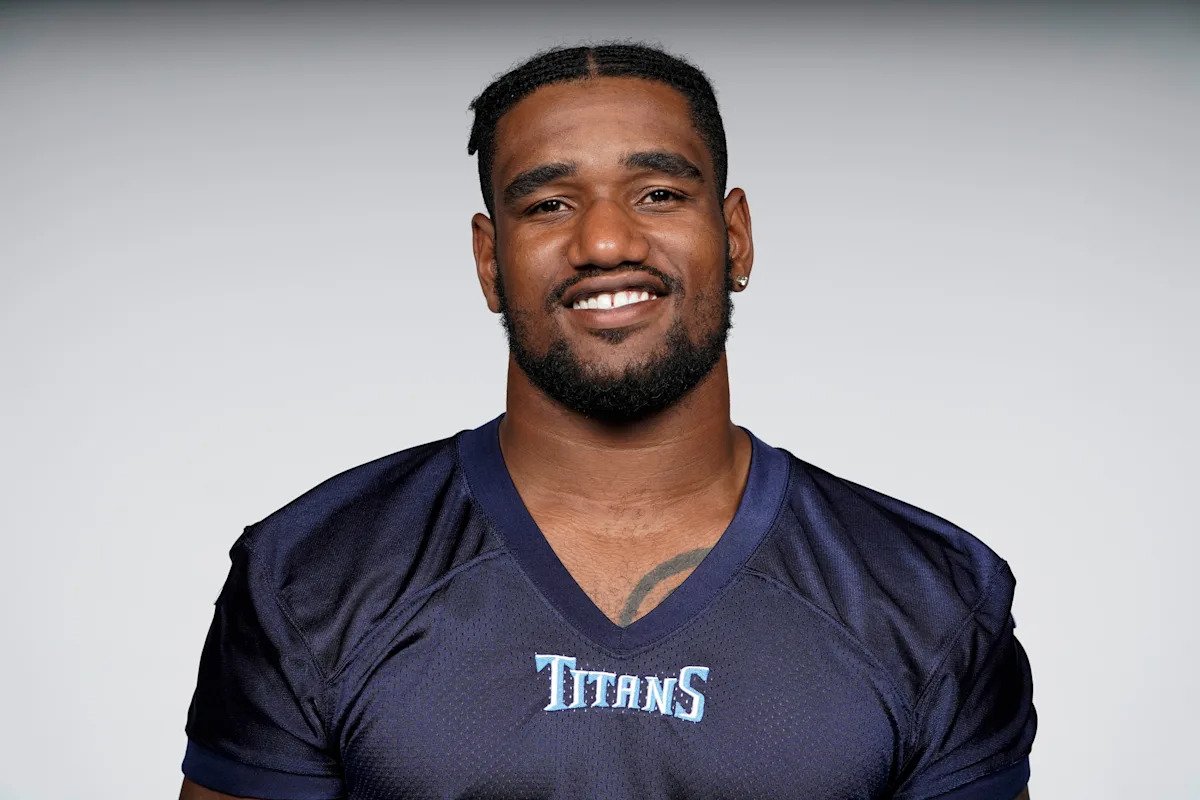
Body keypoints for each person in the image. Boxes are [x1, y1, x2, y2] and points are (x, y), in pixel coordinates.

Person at [179, 42, 1036, 800]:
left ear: (735, 235)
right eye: (549, 204)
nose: (604, 242)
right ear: (489, 260)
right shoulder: (311, 573)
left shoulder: (930, 598)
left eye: (658, 193)